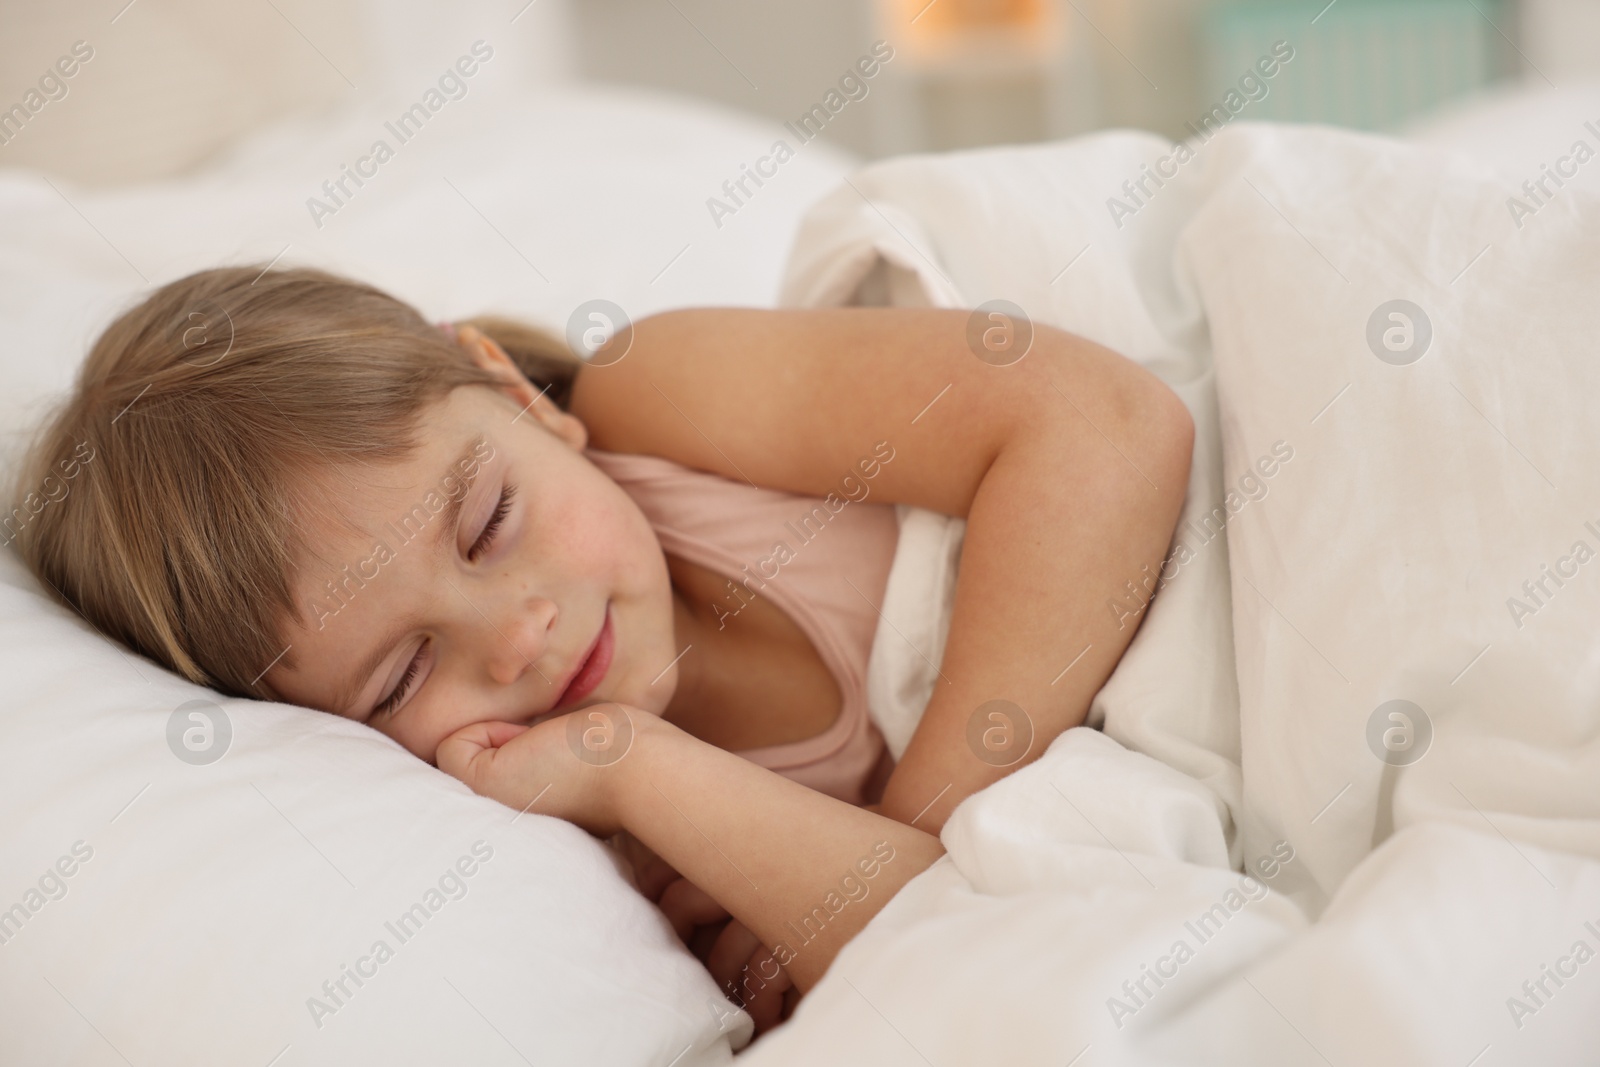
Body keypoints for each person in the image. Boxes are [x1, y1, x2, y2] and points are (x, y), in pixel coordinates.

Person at [10, 264, 1193, 1035]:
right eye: (403, 675)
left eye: (488, 523)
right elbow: (945, 950)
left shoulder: (659, 403)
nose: (517, 633)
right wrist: (638, 763)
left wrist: (926, 817)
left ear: (514, 395)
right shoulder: (597, 840)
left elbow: (1106, 425)